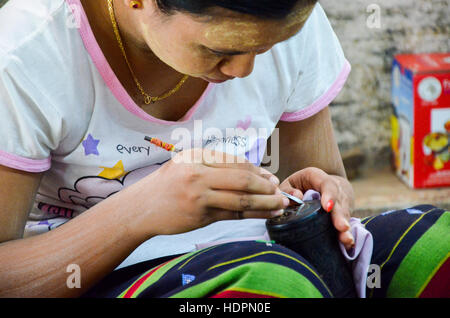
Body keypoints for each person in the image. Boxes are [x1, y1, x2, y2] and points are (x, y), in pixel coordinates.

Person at [0, 0, 448, 298]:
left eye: (270, 45)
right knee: (269, 287)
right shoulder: (27, 54)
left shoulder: (280, 12)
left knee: (437, 243)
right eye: (219, 48)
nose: (246, 69)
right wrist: (139, 211)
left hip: (275, 260)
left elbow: (323, 176)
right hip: (104, 279)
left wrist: (324, 198)